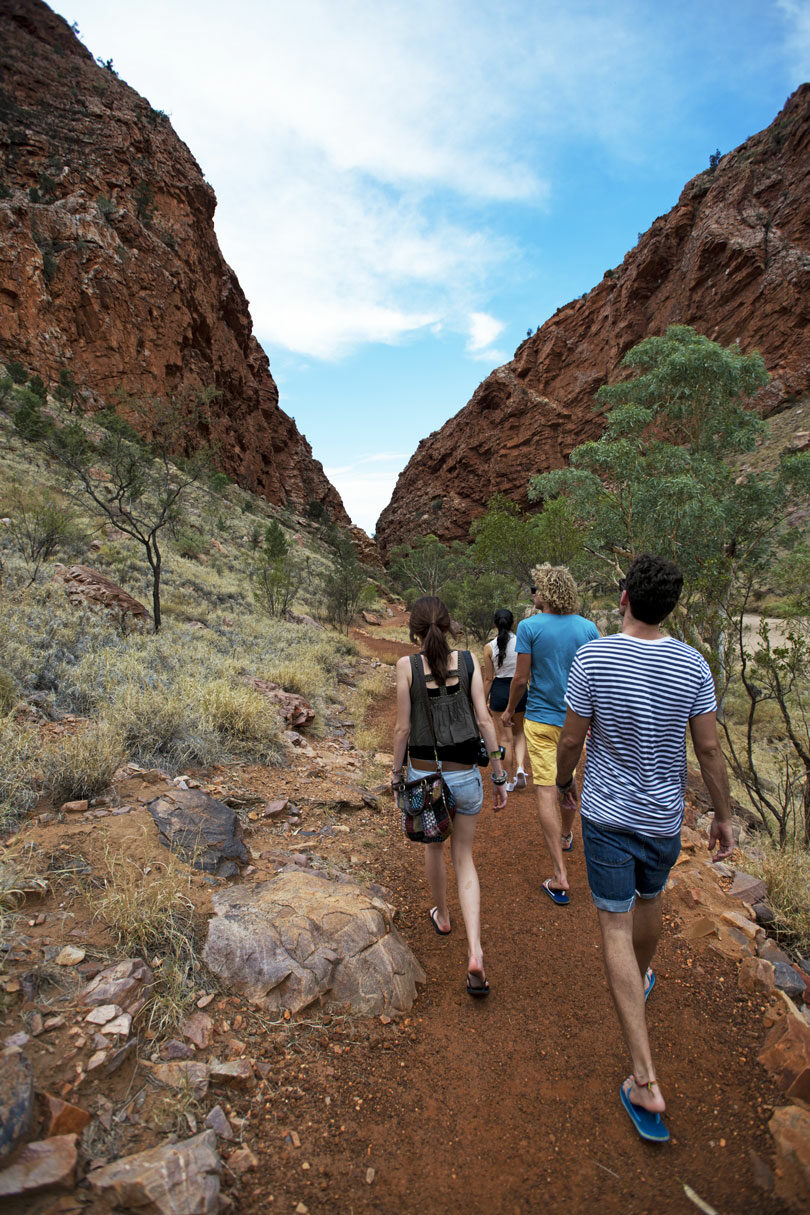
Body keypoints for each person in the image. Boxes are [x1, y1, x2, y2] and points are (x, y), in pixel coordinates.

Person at [555, 553, 735, 1143]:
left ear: (625, 597)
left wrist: (561, 782)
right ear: (671, 606)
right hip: (662, 820)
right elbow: (708, 752)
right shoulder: (694, 665)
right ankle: (646, 972)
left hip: (607, 815)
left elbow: (574, 738)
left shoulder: (594, 655)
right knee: (650, 898)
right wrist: (723, 817)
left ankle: (645, 1080)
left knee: (613, 927)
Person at [392, 596, 508, 997]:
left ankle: (442, 915)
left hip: (425, 778)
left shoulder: (406, 667)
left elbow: (403, 730)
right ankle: (475, 951)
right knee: (465, 859)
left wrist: (395, 775)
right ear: (447, 624)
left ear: (415, 631)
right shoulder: (471, 661)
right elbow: (482, 719)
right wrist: (498, 773)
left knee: (434, 849)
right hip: (464, 778)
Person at [502, 565, 598, 904]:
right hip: (577, 722)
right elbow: (595, 676)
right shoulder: (588, 628)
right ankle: (568, 834)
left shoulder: (529, 627)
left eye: (536, 588)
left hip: (541, 720)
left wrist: (509, 709)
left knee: (545, 790)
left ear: (546, 592)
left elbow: (519, 678)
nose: (534, 594)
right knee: (567, 779)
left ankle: (559, 875)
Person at [482, 608, 529, 792]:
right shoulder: (522, 643)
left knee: (504, 738)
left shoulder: (489, 647)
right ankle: (520, 768)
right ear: (513, 623)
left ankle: (508, 779)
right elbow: (528, 672)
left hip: (499, 692)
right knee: (519, 733)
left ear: (495, 624)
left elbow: (488, 678)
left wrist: (483, 701)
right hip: (519, 691)